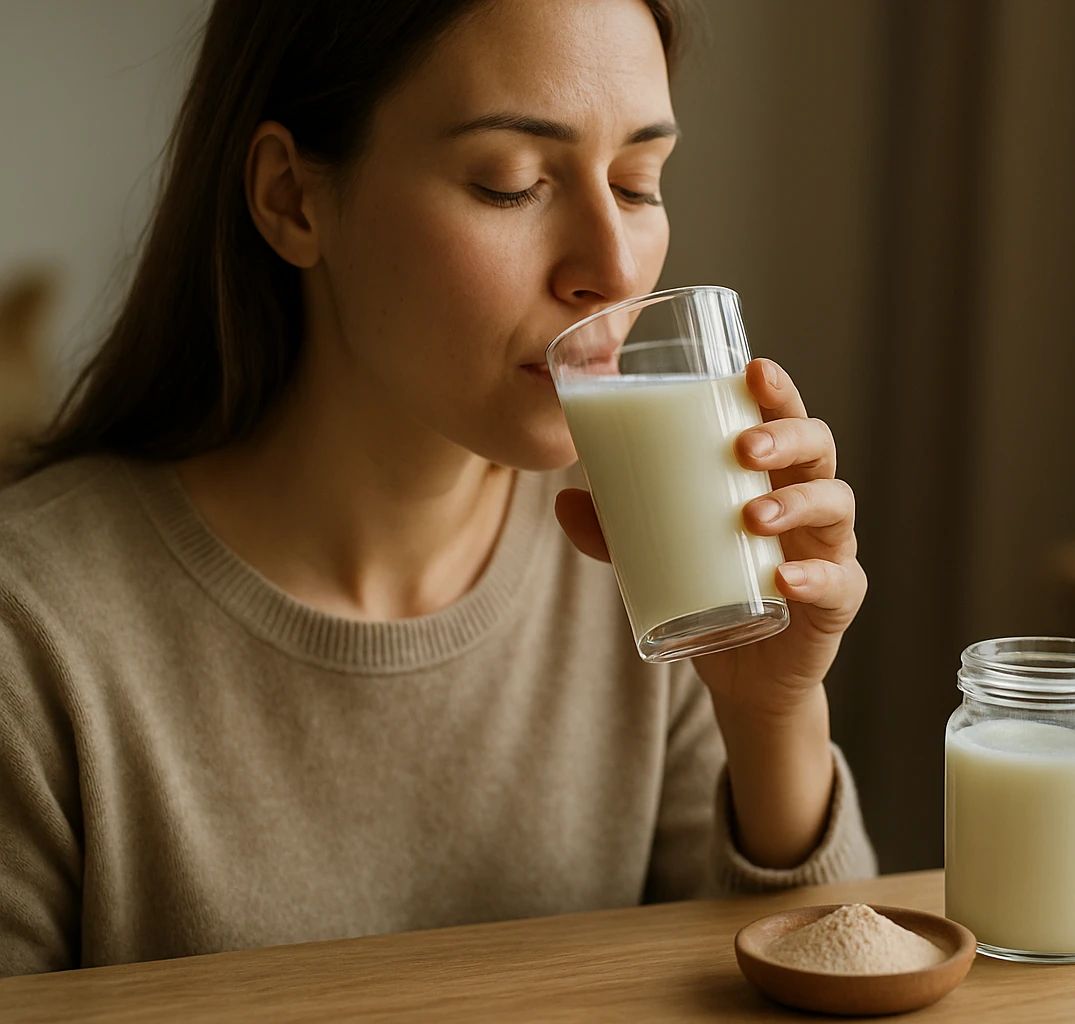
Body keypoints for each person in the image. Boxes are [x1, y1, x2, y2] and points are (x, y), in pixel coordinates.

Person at [0, 0, 875, 976]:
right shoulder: (34, 628)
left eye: (637, 183)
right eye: (512, 184)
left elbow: (812, 981)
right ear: (293, 198)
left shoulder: (656, 557)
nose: (612, 268)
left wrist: (772, 717)